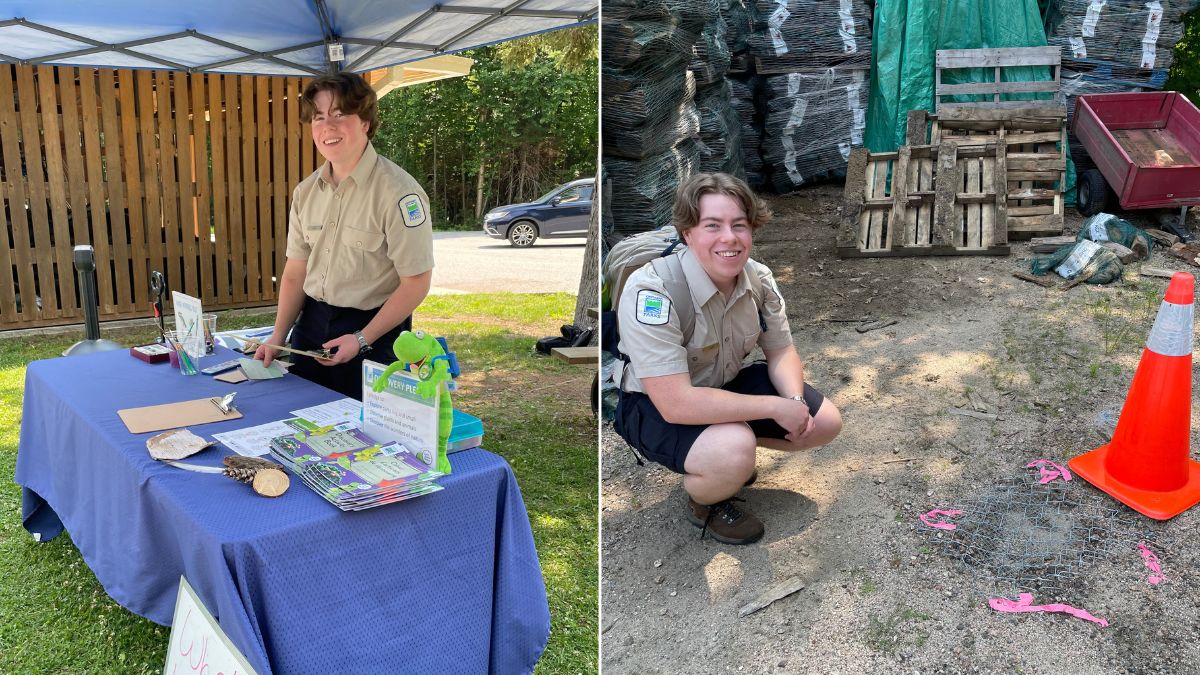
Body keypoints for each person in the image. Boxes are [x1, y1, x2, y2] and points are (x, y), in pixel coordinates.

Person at [612, 172, 843, 545]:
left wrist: (795, 403)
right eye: (712, 226)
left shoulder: (758, 279)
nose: (729, 238)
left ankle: (727, 461)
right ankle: (708, 498)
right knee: (733, 447)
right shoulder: (652, 291)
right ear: (687, 233)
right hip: (654, 403)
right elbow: (676, 403)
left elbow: (781, 349)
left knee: (824, 422)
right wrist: (774, 408)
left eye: (739, 225)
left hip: (721, 385)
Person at [254, 72, 433, 399]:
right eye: (318, 117)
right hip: (311, 329)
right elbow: (295, 273)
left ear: (365, 122)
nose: (327, 127)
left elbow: (416, 282)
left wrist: (362, 338)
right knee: (302, 424)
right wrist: (278, 336)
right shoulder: (306, 192)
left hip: (375, 334)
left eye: (339, 115)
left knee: (366, 442)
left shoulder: (399, 193)